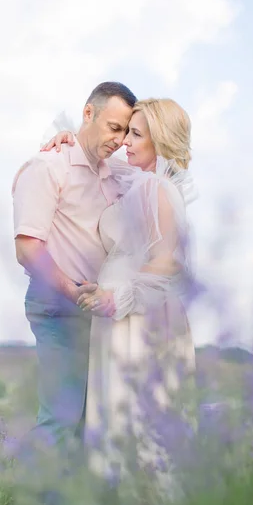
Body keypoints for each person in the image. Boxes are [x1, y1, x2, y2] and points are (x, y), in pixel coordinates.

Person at [42, 98, 197, 476]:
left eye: (136, 134)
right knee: (116, 418)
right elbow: (94, 152)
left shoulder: (156, 188)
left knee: (135, 421)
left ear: (159, 141)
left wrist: (117, 298)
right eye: (125, 130)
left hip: (137, 321)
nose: (126, 140)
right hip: (118, 318)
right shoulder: (137, 182)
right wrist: (65, 136)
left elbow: (169, 261)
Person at [12, 81, 137, 457]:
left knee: (92, 421)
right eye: (114, 128)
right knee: (62, 418)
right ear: (88, 114)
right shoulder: (48, 166)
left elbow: (166, 168)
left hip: (98, 311)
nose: (119, 140)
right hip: (57, 305)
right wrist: (72, 290)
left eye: (126, 132)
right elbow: (27, 247)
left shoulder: (116, 172)